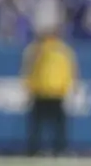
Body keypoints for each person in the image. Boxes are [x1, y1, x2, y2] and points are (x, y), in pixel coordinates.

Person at [21, 26, 77, 156]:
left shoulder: (62, 49)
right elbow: (28, 67)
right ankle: (35, 149)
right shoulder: (37, 49)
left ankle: (59, 149)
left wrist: (70, 86)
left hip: (55, 92)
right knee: (38, 124)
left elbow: (71, 69)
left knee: (57, 125)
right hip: (42, 91)